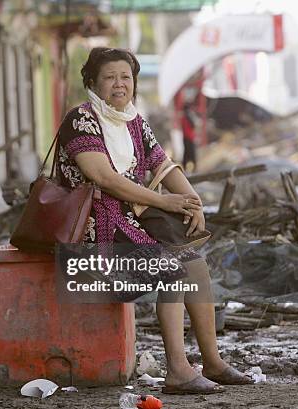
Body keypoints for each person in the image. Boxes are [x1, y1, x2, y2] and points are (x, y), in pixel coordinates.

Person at [55, 48, 253, 394]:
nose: (119, 84)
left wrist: (194, 204)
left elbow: (164, 164)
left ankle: (213, 362)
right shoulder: (81, 120)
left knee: (195, 266)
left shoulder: (132, 121)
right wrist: (164, 201)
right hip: (91, 242)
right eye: (109, 77)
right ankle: (178, 369)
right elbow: (105, 178)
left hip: (126, 230)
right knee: (175, 267)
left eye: (126, 77)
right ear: (91, 82)